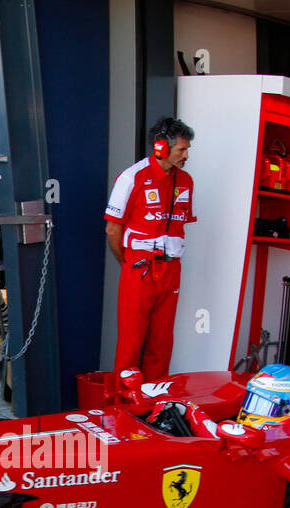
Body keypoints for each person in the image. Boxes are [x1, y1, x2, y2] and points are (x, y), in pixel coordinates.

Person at [104, 116, 196, 379]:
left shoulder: (186, 181)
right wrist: (129, 262)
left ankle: (155, 403)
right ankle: (123, 405)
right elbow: (113, 229)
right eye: (181, 149)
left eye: (187, 149)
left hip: (171, 269)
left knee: (162, 342)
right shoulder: (132, 177)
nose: (186, 155)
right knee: (131, 342)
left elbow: (181, 224)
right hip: (139, 266)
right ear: (161, 148)